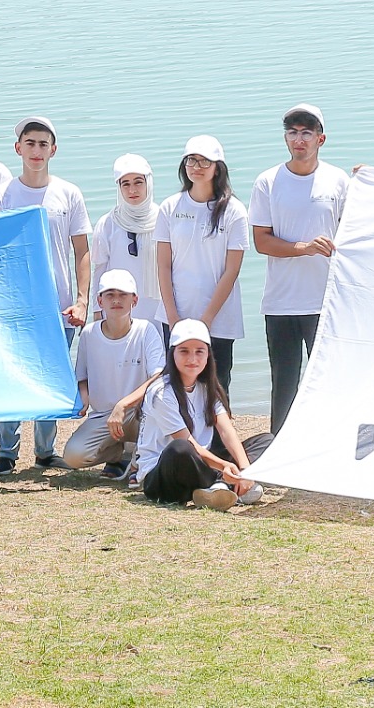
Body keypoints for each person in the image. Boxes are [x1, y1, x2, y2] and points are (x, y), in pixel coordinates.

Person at [0, 117, 92, 471]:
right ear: (18, 148)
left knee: (51, 376)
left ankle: (45, 452)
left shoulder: (68, 193)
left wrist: (81, 299)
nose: (37, 150)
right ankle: (6, 454)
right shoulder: (2, 193)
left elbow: (81, 250)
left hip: (59, 304)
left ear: (54, 149)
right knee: (13, 375)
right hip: (14, 305)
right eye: (30, 143)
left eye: (43, 144)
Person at [250, 104, 349, 434]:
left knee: (330, 379)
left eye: (306, 133)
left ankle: (330, 442)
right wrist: (304, 248)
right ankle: (278, 446)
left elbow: (356, 232)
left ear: (321, 138)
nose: (299, 139)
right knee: (284, 382)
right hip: (280, 303)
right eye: (292, 133)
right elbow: (262, 241)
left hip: (326, 302)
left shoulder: (338, 180)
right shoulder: (268, 181)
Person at [156, 136, 248, 391]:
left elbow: (232, 270)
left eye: (204, 161)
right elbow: (163, 266)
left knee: (217, 387)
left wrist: (206, 318)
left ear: (217, 167)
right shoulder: (170, 207)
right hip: (176, 314)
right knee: (176, 386)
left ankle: (219, 433)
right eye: (191, 160)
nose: (197, 166)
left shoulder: (234, 211)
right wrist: (173, 316)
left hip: (219, 319)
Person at [136, 320, 259, 509]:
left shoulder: (207, 388)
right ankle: (223, 485)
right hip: (164, 475)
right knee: (180, 448)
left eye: (199, 351)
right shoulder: (161, 392)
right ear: (172, 354)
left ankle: (225, 486)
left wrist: (244, 467)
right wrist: (224, 466)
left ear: (208, 355)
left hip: (202, 465)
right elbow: (187, 442)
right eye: (184, 351)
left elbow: (226, 431)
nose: (192, 359)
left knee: (265, 441)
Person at [62, 269, 165, 475]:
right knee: (73, 457)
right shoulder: (89, 334)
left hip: (140, 412)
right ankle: (119, 454)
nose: (116, 300)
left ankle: (138, 453)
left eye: (122, 295)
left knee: (164, 431)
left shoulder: (147, 330)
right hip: (104, 416)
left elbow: (158, 376)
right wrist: (84, 398)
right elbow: (82, 377)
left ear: (134, 300)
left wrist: (123, 405)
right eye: (110, 295)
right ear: (100, 301)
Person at [89, 154, 163, 326]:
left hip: (158, 309)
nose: (132, 190)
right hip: (118, 308)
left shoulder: (163, 219)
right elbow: (99, 271)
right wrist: (97, 312)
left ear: (148, 183)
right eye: (126, 184)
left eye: (138, 182)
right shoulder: (108, 224)